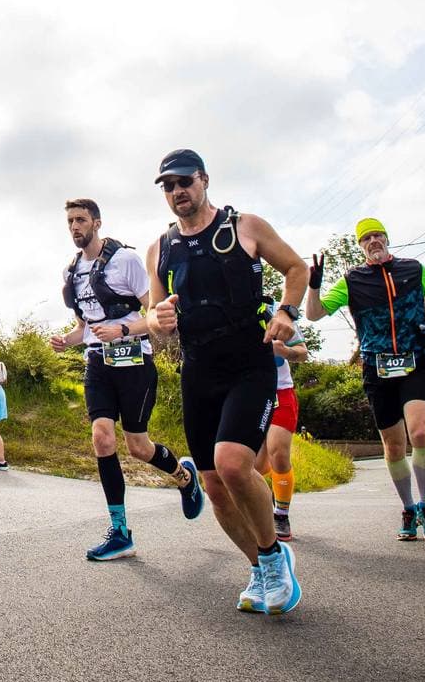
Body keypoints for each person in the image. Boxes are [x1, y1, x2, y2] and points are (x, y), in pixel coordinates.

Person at [143, 151, 307, 615]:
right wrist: (160, 318)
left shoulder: (245, 227)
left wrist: (286, 312)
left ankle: (276, 558)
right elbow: (155, 316)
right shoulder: (160, 248)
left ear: (204, 180)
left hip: (249, 364)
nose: (177, 192)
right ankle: (259, 567)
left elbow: (297, 269)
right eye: (168, 186)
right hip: (198, 371)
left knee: (233, 464)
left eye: (184, 182)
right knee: (214, 485)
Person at [48, 197, 203, 561]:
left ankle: (183, 475)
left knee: (138, 446)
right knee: (102, 438)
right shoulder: (71, 271)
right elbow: (84, 327)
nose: (75, 227)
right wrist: (65, 341)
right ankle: (120, 531)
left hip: (134, 361)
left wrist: (120, 329)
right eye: (70, 221)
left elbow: (155, 315)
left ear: (97, 223)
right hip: (97, 362)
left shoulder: (126, 261)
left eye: (81, 220)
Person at [306, 218, 425, 543]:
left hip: (416, 361)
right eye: (366, 238)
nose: (373, 241)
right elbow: (314, 314)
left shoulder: (413, 269)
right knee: (394, 446)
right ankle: (408, 508)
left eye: (377, 235)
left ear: (386, 238)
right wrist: (314, 286)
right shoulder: (352, 279)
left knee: (421, 431)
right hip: (377, 367)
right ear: (361, 246)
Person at [256, 316, 308, 540]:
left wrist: (285, 352)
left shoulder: (277, 313)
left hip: (280, 392)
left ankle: (281, 514)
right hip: (249, 394)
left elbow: (303, 352)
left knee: (278, 452)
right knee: (255, 465)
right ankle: (262, 502)